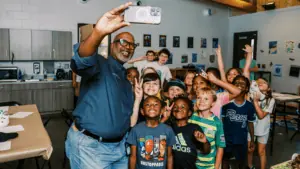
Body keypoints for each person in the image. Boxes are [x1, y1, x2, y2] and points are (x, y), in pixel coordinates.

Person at [65, 2, 137, 169]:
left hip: (119, 149)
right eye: (123, 42)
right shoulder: (99, 64)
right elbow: (82, 59)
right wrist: (98, 33)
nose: (127, 47)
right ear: (112, 45)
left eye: (132, 45)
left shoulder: (126, 80)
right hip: (91, 148)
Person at [127, 96, 176, 169]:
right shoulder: (136, 130)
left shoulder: (168, 130)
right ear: (142, 111)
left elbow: (169, 156)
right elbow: (133, 157)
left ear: (162, 110)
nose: (152, 106)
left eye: (156, 104)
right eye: (148, 105)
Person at [221, 75, 256, 169]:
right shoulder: (226, 104)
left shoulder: (249, 106)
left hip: (241, 140)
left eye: (242, 83)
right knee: (225, 160)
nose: (239, 84)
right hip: (226, 139)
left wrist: (252, 140)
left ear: (247, 88)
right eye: (236, 82)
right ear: (232, 86)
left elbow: (250, 123)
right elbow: (221, 121)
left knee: (241, 162)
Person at [189, 87, 226, 169]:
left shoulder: (217, 123)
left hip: (209, 166)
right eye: (199, 98)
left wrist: (216, 167)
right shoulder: (191, 117)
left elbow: (220, 147)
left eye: (206, 99)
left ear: (212, 103)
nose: (202, 101)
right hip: (191, 164)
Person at [171, 96, 211, 169]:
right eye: (175, 107)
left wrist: (204, 142)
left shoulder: (194, 128)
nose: (178, 109)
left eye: (183, 107)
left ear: (189, 113)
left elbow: (206, 151)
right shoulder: (169, 127)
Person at [248, 77, 275, 169]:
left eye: (263, 82)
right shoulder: (250, 96)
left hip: (263, 129)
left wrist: (255, 102)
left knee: (261, 152)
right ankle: (250, 166)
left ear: (269, 88)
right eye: (258, 82)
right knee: (250, 150)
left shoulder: (271, 100)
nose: (260, 83)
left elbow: (261, 116)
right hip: (250, 128)